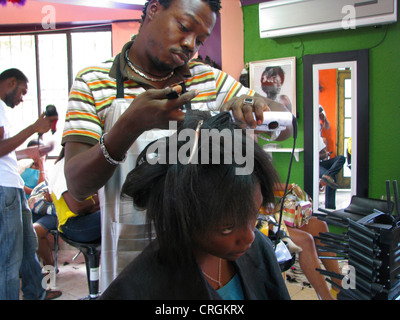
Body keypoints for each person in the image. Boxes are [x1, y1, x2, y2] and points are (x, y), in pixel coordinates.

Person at [62, 0, 293, 289]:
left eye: (200, 39)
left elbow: (284, 126)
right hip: (132, 259)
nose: (189, 44)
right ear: (154, 8)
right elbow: (77, 185)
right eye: (184, 27)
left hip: (208, 257)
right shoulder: (93, 83)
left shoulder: (208, 81)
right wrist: (129, 125)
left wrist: (259, 108)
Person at [100, 111, 290, 300]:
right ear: (183, 217)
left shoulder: (259, 248)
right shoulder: (138, 287)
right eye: (227, 228)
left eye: (253, 215)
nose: (250, 236)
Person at [0, 68, 60, 300]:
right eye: (22, 92)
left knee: (27, 246)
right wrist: (34, 128)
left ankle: (37, 292)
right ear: (11, 82)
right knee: (9, 258)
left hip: (11, 187)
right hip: (4, 188)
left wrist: (34, 151)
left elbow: (7, 152)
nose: (22, 98)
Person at [47, 149, 101, 243]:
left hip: (89, 215)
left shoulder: (83, 166)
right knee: (118, 214)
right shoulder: (61, 168)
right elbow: (77, 207)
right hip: (73, 224)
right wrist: (102, 199)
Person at [20, 139, 58, 267]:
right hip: (29, 210)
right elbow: (25, 189)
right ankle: (28, 267)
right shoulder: (22, 169)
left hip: (48, 212)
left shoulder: (51, 170)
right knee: (22, 231)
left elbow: (41, 187)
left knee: (34, 231)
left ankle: (49, 265)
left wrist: (41, 165)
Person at [287, 217, 342, 300]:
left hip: (276, 216)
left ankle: (338, 287)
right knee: (305, 240)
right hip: (263, 224)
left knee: (320, 225)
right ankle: (327, 298)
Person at [318, 105, 345, 209]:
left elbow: (327, 126)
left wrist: (323, 118)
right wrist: (325, 154)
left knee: (341, 158)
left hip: (322, 161)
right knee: (331, 179)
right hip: (315, 164)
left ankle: (328, 174)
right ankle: (330, 208)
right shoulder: (311, 135)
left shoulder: (320, 136)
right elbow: (316, 156)